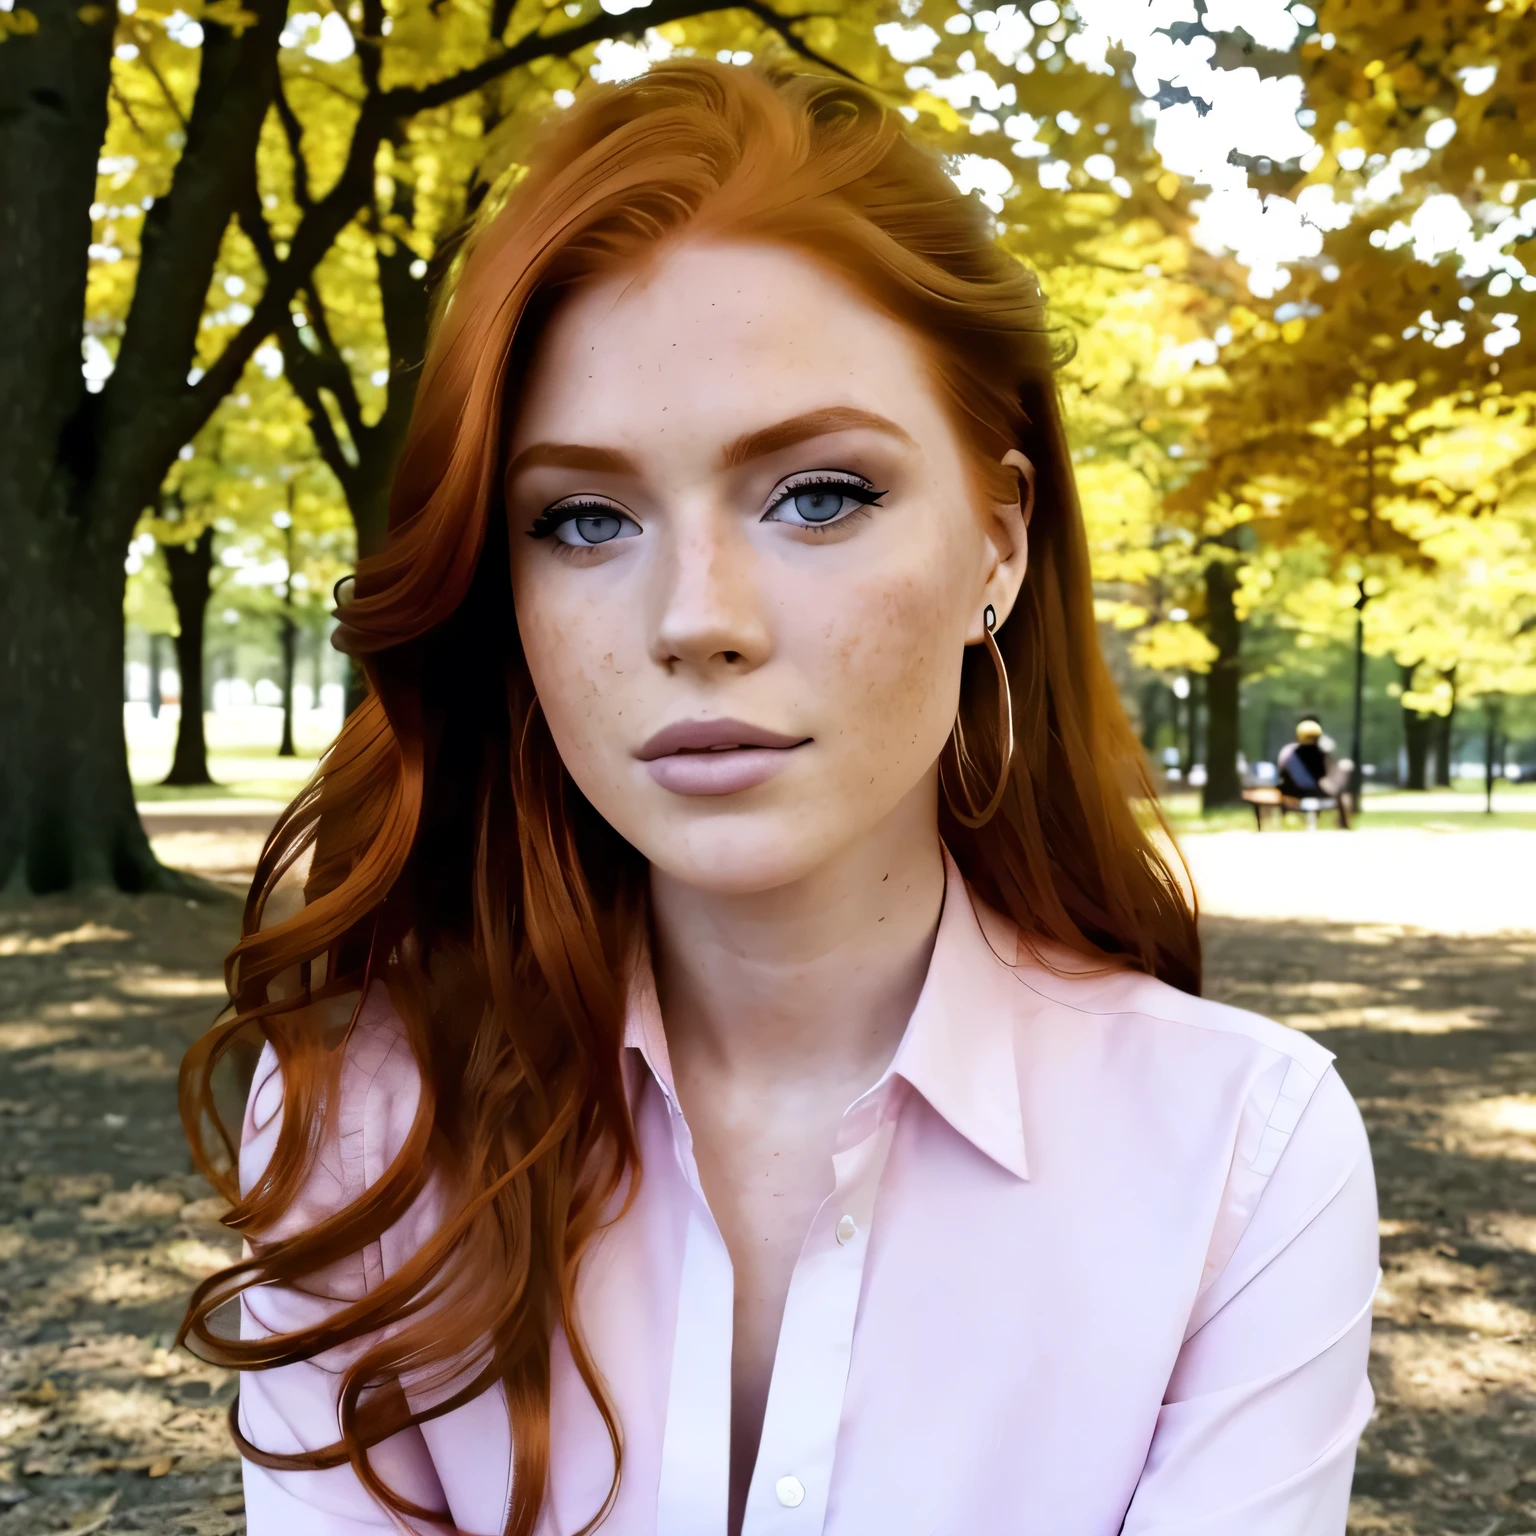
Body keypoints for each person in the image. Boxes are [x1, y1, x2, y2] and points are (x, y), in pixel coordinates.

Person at [180, 64, 1378, 1536]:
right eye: (585, 519)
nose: (698, 617)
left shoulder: (1242, 1160)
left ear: (996, 546)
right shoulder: (361, 1125)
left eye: (818, 494)